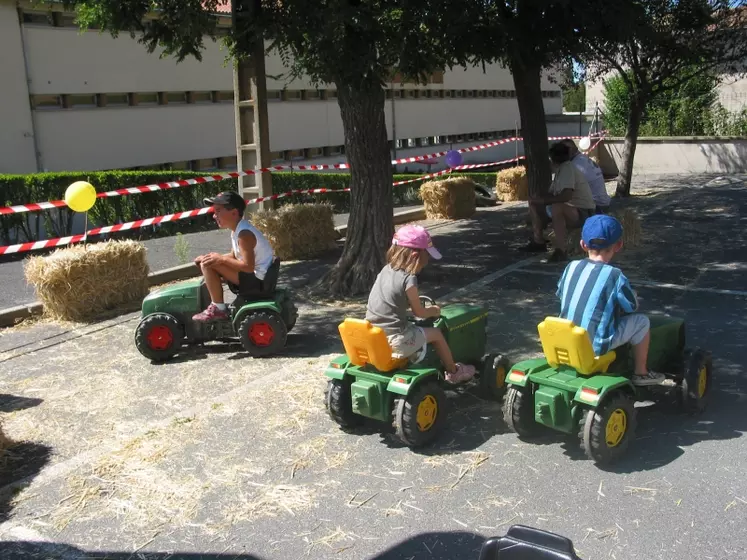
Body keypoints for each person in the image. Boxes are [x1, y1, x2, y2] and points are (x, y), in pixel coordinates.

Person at [555, 214, 665, 386]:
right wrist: (633, 296)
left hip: (566, 340)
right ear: (619, 245)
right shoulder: (615, 275)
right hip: (593, 346)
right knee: (642, 322)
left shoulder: (571, 267)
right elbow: (631, 307)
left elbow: (561, 294)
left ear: (583, 244)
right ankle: (641, 373)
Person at [365, 224, 476, 384]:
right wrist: (434, 310)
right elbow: (419, 312)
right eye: (426, 257)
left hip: (375, 335)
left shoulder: (385, 270)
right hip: (395, 340)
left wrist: (409, 313)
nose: (427, 261)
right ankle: (453, 371)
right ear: (415, 256)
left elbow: (391, 306)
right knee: (436, 334)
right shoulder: (409, 279)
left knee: (414, 327)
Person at [192, 191, 275, 322]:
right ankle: (216, 304)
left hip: (256, 282)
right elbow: (233, 255)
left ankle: (218, 308)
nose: (214, 216)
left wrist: (219, 259)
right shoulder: (238, 230)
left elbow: (248, 267)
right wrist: (211, 257)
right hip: (256, 278)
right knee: (208, 261)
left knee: (207, 264)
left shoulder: (244, 235)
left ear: (234, 213)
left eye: (218, 211)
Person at [523, 141, 597, 262]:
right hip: (575, 210)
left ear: (551, 158)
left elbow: (566, 196)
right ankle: (539, 240)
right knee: (535, 203)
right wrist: (538, 199)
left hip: (585, 213)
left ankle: (561, 250)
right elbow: (552, 193)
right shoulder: (561, 170)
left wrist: (543, 200)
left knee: (557, 207)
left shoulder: (567, 169)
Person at [562, 139, 611, 213]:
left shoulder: (575, 165)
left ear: (570, 150)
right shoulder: (583, 159)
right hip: (603, 202)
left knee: (557, 207)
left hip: (595, 206)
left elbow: (567, 193)